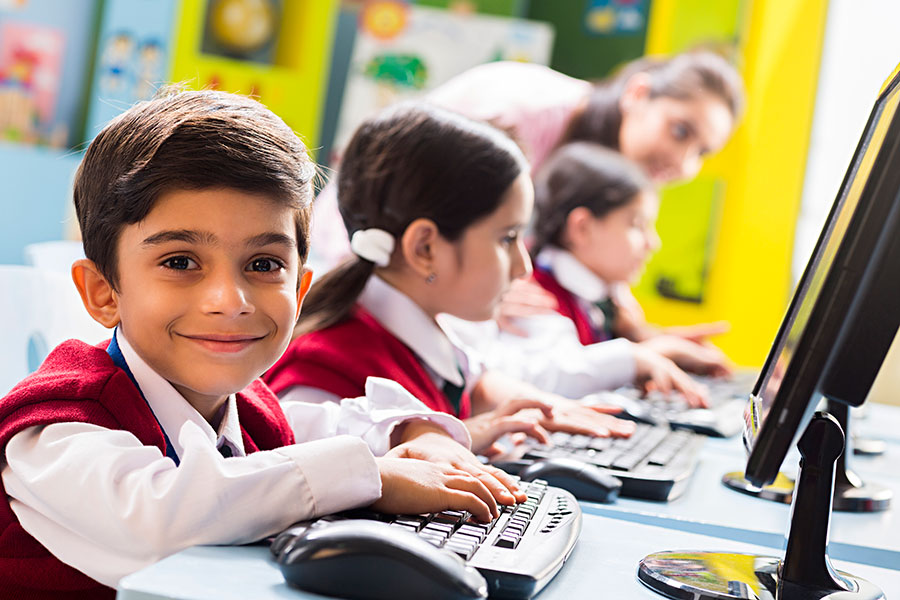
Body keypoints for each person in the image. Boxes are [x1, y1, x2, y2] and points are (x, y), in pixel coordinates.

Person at [0, 89, 524, 599]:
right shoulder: (57, 429)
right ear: (103, 292)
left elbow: (328, 424)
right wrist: (373, 477)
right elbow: (160, 516)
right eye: (180, 262)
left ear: (298, 289)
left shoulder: (244, 408)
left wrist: (414, 433)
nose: (230, 300)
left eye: (263, 265)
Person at [264, 103, 635, 457]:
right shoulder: (323, 374)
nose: (523, 266)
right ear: (424, 248)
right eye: (506, 238)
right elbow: (319, 473)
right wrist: (456, 439)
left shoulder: (425, 334)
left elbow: (477, 382)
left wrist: (546, 410)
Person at [310, 49, 744, 271]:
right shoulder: (524, 112)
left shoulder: (602, 165)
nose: (682, 162)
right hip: (346, 254)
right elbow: (413, 212)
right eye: (681, 131)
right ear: (636, 94)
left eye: (703, 152)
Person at [487, 142, 731, 403]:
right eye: (637, 225)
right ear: (582, 228)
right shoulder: (534, 299)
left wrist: (656, 342)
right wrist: (641, 356)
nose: (653, 243)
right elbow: (548, 379)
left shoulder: (603, 299)